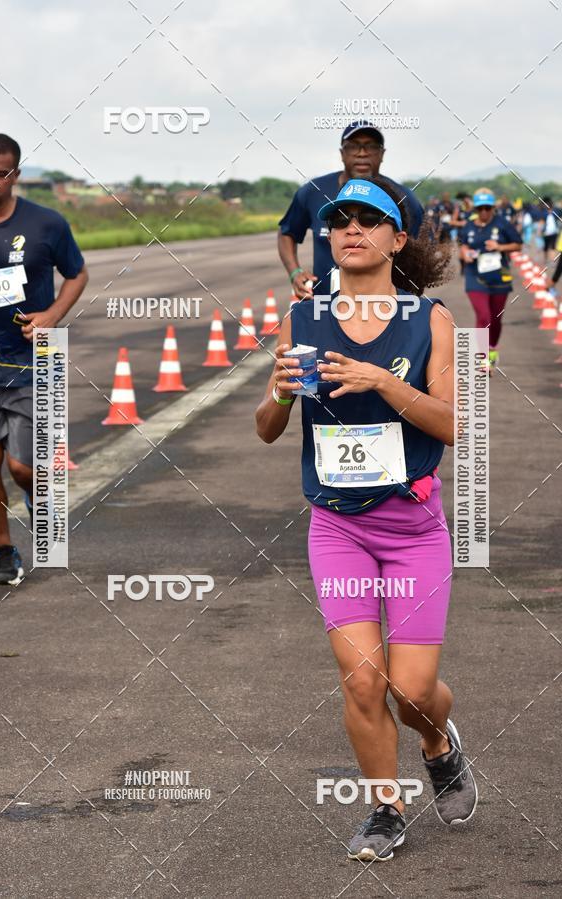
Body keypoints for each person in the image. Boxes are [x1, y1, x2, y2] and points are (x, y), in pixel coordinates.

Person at [257, 175, 477, 863]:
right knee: (361, 679)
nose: (352, 229)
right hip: (337, 525)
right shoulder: (301, 319)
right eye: (339, 221)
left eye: (369, 220)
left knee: (411, 693)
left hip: (412, 527)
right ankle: (385, 808)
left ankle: (439, 742)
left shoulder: (430, 320)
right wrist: (277, 393)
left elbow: (455, 424)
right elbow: (266, 429)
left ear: (396, 237)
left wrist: (384, 381)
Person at [0, 133, 88, 585]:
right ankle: (3, 554)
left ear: (15, 175)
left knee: (24, 467)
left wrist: (52, 316)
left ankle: (40, 501)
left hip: (37, 360)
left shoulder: (46, 224)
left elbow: (77, 274)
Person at [278, 121, 423, 299]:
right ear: (342, 153)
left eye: (371, 146)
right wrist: (295, 272)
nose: (362, 153)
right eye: (353, 146)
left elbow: (420, 252)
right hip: (323, 306)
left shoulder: (404, 198)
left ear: (382, 153)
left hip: (386, 308)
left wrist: (409, 298)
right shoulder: (313, 191)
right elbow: (287, 232)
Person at [459, 188, 522, 373]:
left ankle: (492, 347)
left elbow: (518, 244)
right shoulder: (469, 226)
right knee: (484, 316)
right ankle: (482, 358)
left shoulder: (503, 224)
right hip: (474, 276)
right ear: (476, 209)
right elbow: (463, 245)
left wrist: (500, 246)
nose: (484, 212)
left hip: (499, 277)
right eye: (481, 209)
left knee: (495, 319)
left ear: (493, 208)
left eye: (488, 208)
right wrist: (465, 254)